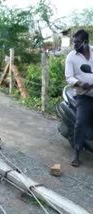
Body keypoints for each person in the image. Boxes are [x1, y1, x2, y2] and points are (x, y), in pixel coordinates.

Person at [65, 29, 93, 167]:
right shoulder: (71, 57)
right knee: (81, 122)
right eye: (73, 42)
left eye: (77, 42)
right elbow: (69, 77)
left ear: (85, 42)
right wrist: (80, 83)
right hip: (84, 95)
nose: (74, 44)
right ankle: (77, 151)